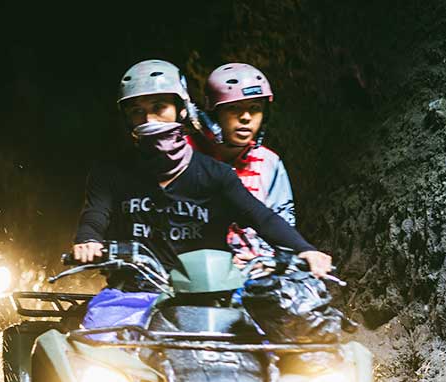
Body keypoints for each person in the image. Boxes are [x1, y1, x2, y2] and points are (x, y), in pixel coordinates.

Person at [72, 59, 332, 332]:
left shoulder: (215, 174)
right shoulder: (110, 172)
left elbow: (261, 217)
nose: (149, 119)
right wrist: (88, 239)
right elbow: (96, 212)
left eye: (159, 107)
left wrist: (306, 249)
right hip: (135, 294)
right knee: (100, 345)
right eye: (137, 111)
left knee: (274, 351)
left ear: (181, 110)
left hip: (212, 297)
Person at [190, 63, 295, 262]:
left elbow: (283, 220)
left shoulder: (269, 163)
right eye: (234, 108)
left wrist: (266, 261)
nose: (246, 117)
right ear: (213, 114)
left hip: (255, 270)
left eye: (255, 108)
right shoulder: (187, 156)